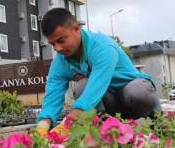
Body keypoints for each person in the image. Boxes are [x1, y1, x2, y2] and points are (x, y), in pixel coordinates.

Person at [36, 8, 160, 136]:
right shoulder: (61, 61)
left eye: (61, 40)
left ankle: (159, 121)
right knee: (82, 86)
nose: (57, 48)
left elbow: (95, 89)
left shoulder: (102, 47)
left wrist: (68, 123)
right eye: (52, 44)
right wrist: (43, 125)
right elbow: (52, 95)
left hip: (132, 97)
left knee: (136, 91)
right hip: (110, 102)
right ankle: (104, 135)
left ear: (76, 29)